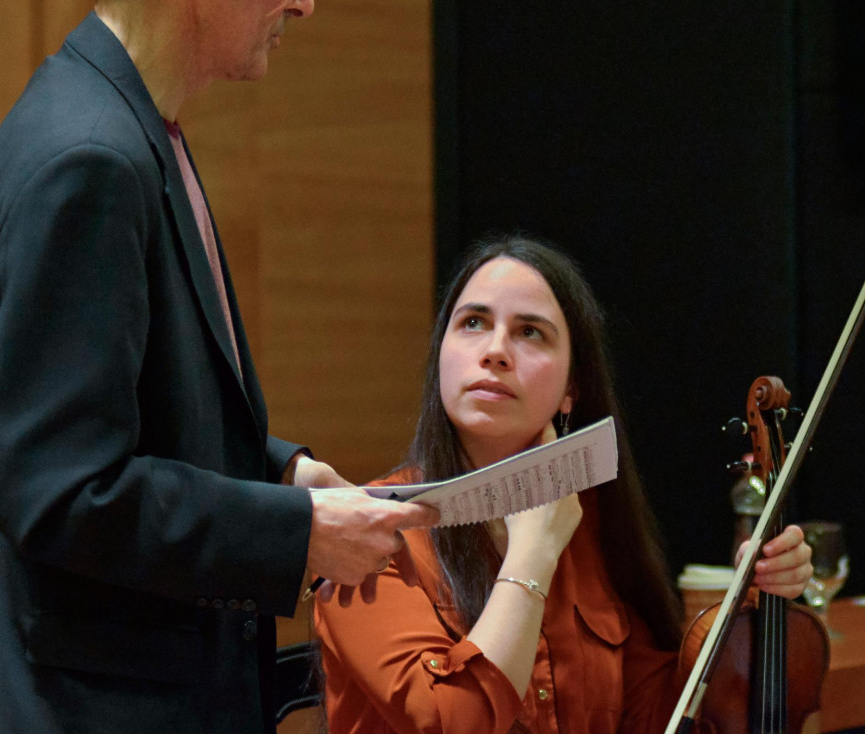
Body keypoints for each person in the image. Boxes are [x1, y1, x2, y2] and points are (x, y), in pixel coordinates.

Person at [0, 0, 436, 732]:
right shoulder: (89, 160)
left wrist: (279, 476)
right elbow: (60, 490)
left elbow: (140, 420)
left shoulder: (128, 126)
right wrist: (297, 537)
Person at [314, 236, 814, 734]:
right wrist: (533, 550)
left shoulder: (589, 518)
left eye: (530, 332)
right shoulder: (367, 531)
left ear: (571, 391)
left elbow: (649, 715)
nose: (495, 351)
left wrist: (746, 609)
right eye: (473, 323)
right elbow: (450, 724)